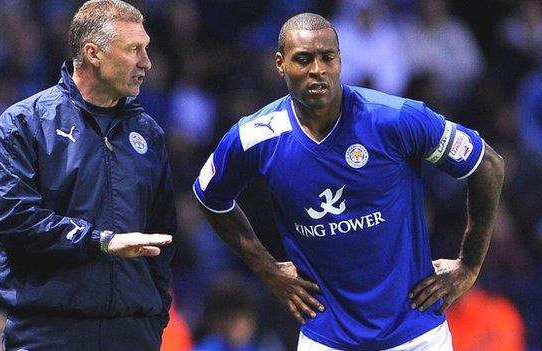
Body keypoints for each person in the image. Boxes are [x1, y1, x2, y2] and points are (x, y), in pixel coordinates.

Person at [193, 13, 504, 351]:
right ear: (280, 64)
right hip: (325, 338)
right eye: (303, 59)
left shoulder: (394, 119)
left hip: (416, 335)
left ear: (340, 60)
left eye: (327, 57)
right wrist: (267, 269)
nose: (317, 70)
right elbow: (210, 197)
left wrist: (469, 266)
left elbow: (487, 165)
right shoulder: (255, 137)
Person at [0, 1, 176, 350]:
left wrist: (154, 317)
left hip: (133, 334)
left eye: (146, 49)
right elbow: (14, 219)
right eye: (134, 49)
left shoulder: (149, 134)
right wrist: (100, 241)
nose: (146, 62)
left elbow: (163, 234)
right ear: (93, 53)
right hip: (48, 332)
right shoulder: (24, 124)